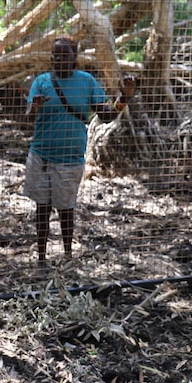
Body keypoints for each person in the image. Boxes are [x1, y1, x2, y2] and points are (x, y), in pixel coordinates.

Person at [23, 36, 136, 268]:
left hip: (70, 159)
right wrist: (34, 107)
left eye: (66, 55)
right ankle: (42, 259)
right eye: (56, 55)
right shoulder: (42, 81)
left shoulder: (86, 81)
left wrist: (123, 98)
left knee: (66, 210)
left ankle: (67, 256)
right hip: (41, 156)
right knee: (42, 210)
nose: (60, 59)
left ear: (76, 59)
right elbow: (27, 120)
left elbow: (105, 115)